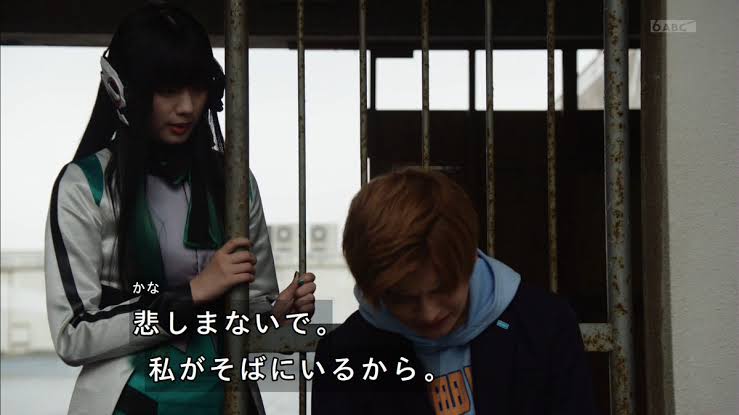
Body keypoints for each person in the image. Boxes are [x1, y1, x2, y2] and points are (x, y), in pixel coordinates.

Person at [43, 5, 316, 415]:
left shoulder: (233, 183)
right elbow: (73, 334)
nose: (187, 107)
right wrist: (191, 294)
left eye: (197, 88)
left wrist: (275, 313)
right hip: (130, 404)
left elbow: (250, 316)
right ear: (123, 90)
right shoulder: (85, 186)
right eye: (168, 90)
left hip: (228, 400)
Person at [311, 168, 597, 414]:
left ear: (469, 260)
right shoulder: (344, 354)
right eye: (402, 298)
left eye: (443, 289)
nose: (428, 313)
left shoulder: (544, 325)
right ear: (374, 288)